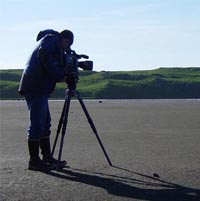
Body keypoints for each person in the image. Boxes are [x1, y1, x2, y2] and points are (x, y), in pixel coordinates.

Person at [19, 29, 74, 171]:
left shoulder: (52, 46)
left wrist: (63, 71)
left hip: (39, 87)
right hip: (35, 86)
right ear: (65, 39)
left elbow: (49, 61)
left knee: (45, 122)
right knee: (37, 124)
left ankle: (47, 157)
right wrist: (59, 75)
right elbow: (45, 57)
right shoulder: (51, 39)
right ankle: (34, 161)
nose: (66, 48)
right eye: (67, 44)